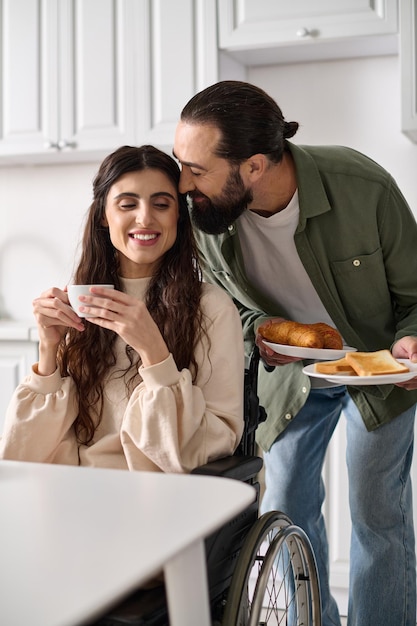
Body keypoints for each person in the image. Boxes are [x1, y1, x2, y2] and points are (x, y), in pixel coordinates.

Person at [173, 80, 417, 626]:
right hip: (290, 377)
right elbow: (221, 309)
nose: (184, 182)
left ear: (255, 167)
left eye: (196, 168)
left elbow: (416, 296)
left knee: (377, 510)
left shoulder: (363, 186)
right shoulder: (207, 217)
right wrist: (262, 329)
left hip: (381, 374)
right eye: (179, 162)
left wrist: (411, 341)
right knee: (284, 502)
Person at [0, 145, 245, 473]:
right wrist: (48, 350)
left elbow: (213, 443)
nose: (145, 217)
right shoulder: (81, 302)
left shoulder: (212, 308)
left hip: (160, 497)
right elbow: (26, 455)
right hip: (78, 490)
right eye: (128, 204)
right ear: (104, 215)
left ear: (178, 216)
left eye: (161, 204)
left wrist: (153, 351)